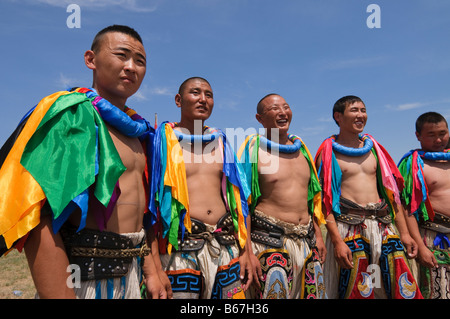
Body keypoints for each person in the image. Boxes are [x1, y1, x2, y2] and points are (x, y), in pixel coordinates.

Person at [0, 25, 168, 299]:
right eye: (122, 55)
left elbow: (144, 215)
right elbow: (37, 215)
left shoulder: (139, 132)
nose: (131, 67)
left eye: (140, 61)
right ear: (91, 59)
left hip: (132, 278)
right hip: (85, 282)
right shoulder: (74, 114)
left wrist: (152, 272)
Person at [149, 77, 253, 299]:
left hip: (225, 248)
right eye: (195, 93)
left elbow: (240, 202)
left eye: (209, 95)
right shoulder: (162, 141)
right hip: (179, 252)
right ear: (179, 100)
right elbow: (150, 207)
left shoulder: (222, 142)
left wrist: (247, 251)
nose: (203, 99)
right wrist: (154, 267)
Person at [314, 95, 422, 299]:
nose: (361, 115)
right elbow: (323, 203)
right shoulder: (328, 154)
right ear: (338, 116)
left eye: (363, 110)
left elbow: (392, 196)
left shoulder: (376, 151)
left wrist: (405, 234)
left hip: (384, 228)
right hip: (349, 230)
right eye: (354, 110)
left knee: (397, 290)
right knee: (356, 291)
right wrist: (337, 241)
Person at [238, 94, 327, 299]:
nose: (282, 112)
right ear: (260, 118)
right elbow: (243, 204)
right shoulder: (253, 151)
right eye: (274, 109)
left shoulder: (302, 150)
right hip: (270, 243)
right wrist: (247, 252)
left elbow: (311, 198)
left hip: (308, 242)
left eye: (286, 107)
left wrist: (319, 236)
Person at [398, 111, 450, 299]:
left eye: (443, 133)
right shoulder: (413, 165)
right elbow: (408, 209)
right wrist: (420, 246)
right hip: (434, 236)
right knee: (437, 292)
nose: (438, 140)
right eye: (431, 135)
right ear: (418, 136)